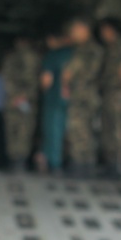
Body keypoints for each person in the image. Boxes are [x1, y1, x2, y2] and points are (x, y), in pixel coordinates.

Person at [62, 19, 104, 176]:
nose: (72, 34)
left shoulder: (88, 50)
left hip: (83, 96)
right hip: (85, 95)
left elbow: (71, 72)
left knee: (79, 130)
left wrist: (66, 79)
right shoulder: (88, 49)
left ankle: (81, 166)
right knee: (84, 129)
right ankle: (85, 166)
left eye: (75, 30)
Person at [98, 19, 121, 173]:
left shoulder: (120, 46)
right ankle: (109, 162)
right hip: (109, 91)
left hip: (116, 92)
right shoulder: (110, 47)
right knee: (108, 127)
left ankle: (116, 163)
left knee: (115, 128)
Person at [1, 37, 41, 172]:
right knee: (23, 131)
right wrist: (24, 96)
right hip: (25, 102)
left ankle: (15, 163)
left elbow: (6, 80)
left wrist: (15, 96)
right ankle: (19, 163)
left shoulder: (10, 58)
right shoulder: (35, 58)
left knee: (14, 131)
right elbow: (35, 81)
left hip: (15, 101)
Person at [39, 32, 73, 174]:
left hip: (54, 100)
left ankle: (54, 164)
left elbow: (46, 80)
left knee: (53, 131)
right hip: (74, 101)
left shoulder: (53, 55)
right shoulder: (75, 53)